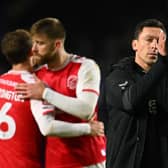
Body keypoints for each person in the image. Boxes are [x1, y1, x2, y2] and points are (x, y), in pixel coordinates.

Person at [0, 29, 105, 168]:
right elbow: (47, 127)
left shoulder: (2, 81)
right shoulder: (33, 85)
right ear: (32, 51)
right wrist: (88, 128)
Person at [99, 18, 168, 168]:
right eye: (149, 40)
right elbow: (131, 102)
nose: (155, 46)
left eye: (159, 41)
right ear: (134, 45)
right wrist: (162, 63)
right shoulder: (117, 76)